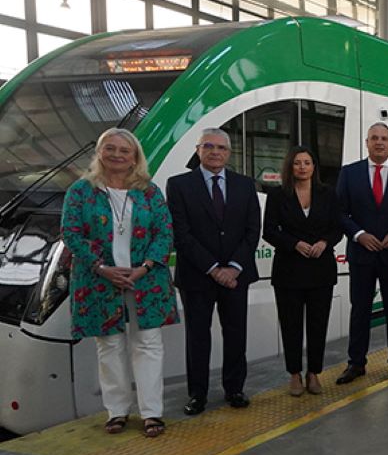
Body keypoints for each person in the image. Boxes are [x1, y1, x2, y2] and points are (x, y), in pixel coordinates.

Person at [61, 128, 178, 437]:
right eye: (109, 148)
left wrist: (145, 266)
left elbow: (165, 233)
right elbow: (71, 233)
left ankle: (152, 413)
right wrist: (101, 267)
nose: (116, 155)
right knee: (109, 345)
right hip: (100, 280)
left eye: (124, 150)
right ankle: (117, 411)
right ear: (99, 153)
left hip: (146, 280)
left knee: (148, 343)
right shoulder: (81, 190)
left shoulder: (150, 191)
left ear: (135, 157)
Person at [167, 128, 261, 415]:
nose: (215, 151)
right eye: (208, 146)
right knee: (198, 337)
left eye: (221, 147)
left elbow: (252, 230)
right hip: (197, 276)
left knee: (236, 334)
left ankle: (235, 389)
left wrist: (232, 268)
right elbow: (181, 234)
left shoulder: (245, 185)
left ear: (229, 153)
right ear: (198, 150)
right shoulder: (179, 185)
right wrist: (213, 268)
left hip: (236, 276)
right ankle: (198, 395)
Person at [336, 122, 388, 385]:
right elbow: (340, 212)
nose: (379, 142)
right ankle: (356, 363)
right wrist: (359, 235)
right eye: (374, 138)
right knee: (360, 310)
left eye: (384, 138)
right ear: (366, 142)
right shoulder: (349, 173)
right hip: (362, 254)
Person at [262, 146, 343, 397]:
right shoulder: (278, 195)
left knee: (318, 325)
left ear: (313, 167)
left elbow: (337, 227)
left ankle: (314, 373)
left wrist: (324, 242)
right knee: (291, 325)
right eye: (297, 163)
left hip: (321, 269)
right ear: (290, 166)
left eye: (307, 163)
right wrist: (294, 244)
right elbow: (269, 231)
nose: (302, 167)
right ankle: (295, 374)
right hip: (289, 270)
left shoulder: (328, 193)